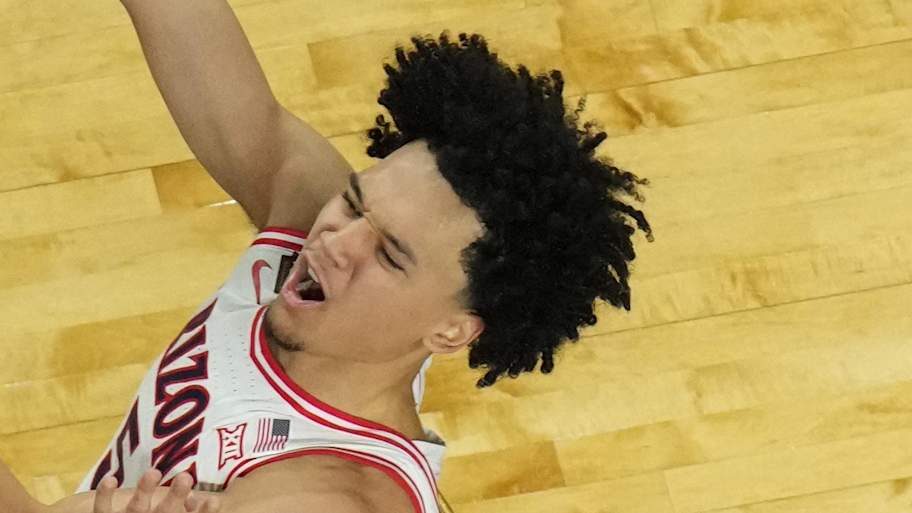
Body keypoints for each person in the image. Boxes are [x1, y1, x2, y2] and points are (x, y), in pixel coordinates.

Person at [0, 1, 654, 511]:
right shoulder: (319, 239)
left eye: (391, 255)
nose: (334, 243)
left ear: (452, 328)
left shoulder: (327, 495)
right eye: (355, 201)